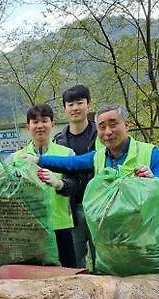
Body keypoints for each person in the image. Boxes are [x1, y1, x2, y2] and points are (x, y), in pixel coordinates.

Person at [31, 104, 159, 193]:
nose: (108, 132)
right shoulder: (98, 157)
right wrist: (38, 159)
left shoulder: (149, 152)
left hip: (144, 233)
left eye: (113, 124)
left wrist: (152, 179)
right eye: (102, 127)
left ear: (126, 125)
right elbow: (71, 163)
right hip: (110, 232)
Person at [13, 104, 77, 267]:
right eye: (35, 122)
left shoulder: (67, 154)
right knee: (34, 280)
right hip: (29, 229)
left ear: (52, 124)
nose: (40, 125)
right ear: (28, 126)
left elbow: (75, 185)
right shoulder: (17, 157)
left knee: (67, 278)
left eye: (44, 121)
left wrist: (59, 184)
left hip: (60, 226)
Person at [53, 85, 99, 268]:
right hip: (71, 209)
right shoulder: (59, 140)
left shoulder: (101, 135)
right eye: (70, 104)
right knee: (74, 264)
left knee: (103, 259)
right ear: (65, 109)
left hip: (99, 207)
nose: (75, 108)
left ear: (88, 104)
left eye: (80, 103)